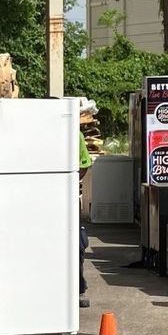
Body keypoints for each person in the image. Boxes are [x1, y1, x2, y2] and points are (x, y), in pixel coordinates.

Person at [78, 125, 93, 308]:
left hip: (67, 198)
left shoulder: (75, 134)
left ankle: (78, 288)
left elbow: (84, 164)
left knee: (76, 244)